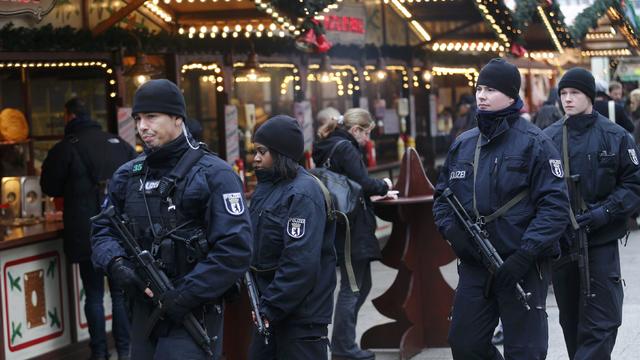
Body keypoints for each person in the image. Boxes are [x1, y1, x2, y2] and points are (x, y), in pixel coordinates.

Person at [91, 79, 253, 359]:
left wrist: (185, 294)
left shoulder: (215, 174)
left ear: (178, 118)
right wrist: (117, 264)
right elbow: (102, 228)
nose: (142, 126)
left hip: (194, 310)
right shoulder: (128, 175)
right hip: (143, 308)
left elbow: (235, 249)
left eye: (152, 117)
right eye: (138, 118)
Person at [432, 58, 570, 359]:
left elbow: (555, 207)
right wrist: (453, 233)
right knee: (465, 344)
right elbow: (442, 197)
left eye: (491, 89)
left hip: (522, 265)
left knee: (525, 351)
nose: (481, 95)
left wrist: (525, 255)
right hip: (475, 264)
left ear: (511, 95)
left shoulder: (536, 143)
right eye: (479, 88)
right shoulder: (464, 144)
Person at [543, 68, 640, 359]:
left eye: (575, 93)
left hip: (600, 243)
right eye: (564, 94)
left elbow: (634, 184)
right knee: (570, 321)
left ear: (590, 97)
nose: (568, 100)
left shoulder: (615, 136)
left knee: (603, 319)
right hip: (562, 245)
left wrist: (606, 212)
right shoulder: (546, 138)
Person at [41, 98, 136, 360]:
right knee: (119, 293)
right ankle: (125, 350)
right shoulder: (119, 144)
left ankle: (99, 353)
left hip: (87, 232)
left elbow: (49, 185)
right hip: (121, 230)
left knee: (93, 295)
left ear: (69, 117)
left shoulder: (66, 148)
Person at [248, 115, 337, 359]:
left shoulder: (303, 193)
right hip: (270, 308)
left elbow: (300, 261)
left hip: (300, 316)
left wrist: (270, 307)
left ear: (280, 152)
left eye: (261, 151)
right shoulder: (267, 188)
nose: (255, 158)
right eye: (255, 151)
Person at [312, 108, 396, 360]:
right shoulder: (346, 148)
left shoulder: (326, 147)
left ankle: (342, 342)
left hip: (340, 221)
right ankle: (343, 346)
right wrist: (386, 185)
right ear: (356, 129)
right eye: (367, 133)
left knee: (361, 283)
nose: (367, 139)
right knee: (353, 286)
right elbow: (363, 182)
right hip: (352, 224)